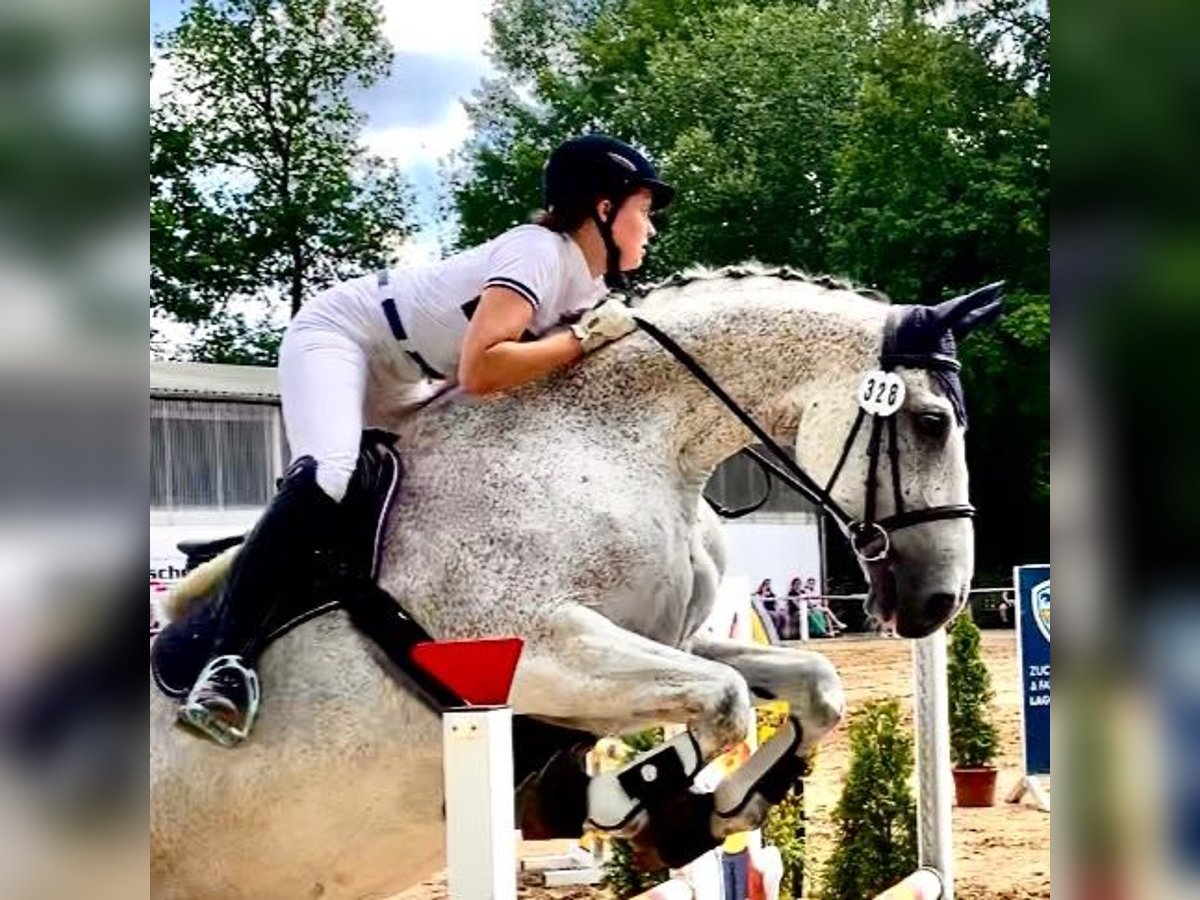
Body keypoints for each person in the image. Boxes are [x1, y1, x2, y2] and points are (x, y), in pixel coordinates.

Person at [178, 134, 675, 747]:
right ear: (603, 208)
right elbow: (484, 368)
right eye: (644, 209)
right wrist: (580, 341)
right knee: (333, 471)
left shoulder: (590, 291)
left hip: (412, 375)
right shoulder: (537, 252)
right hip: (346, 335)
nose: (650, 228)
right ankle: (224, 664)